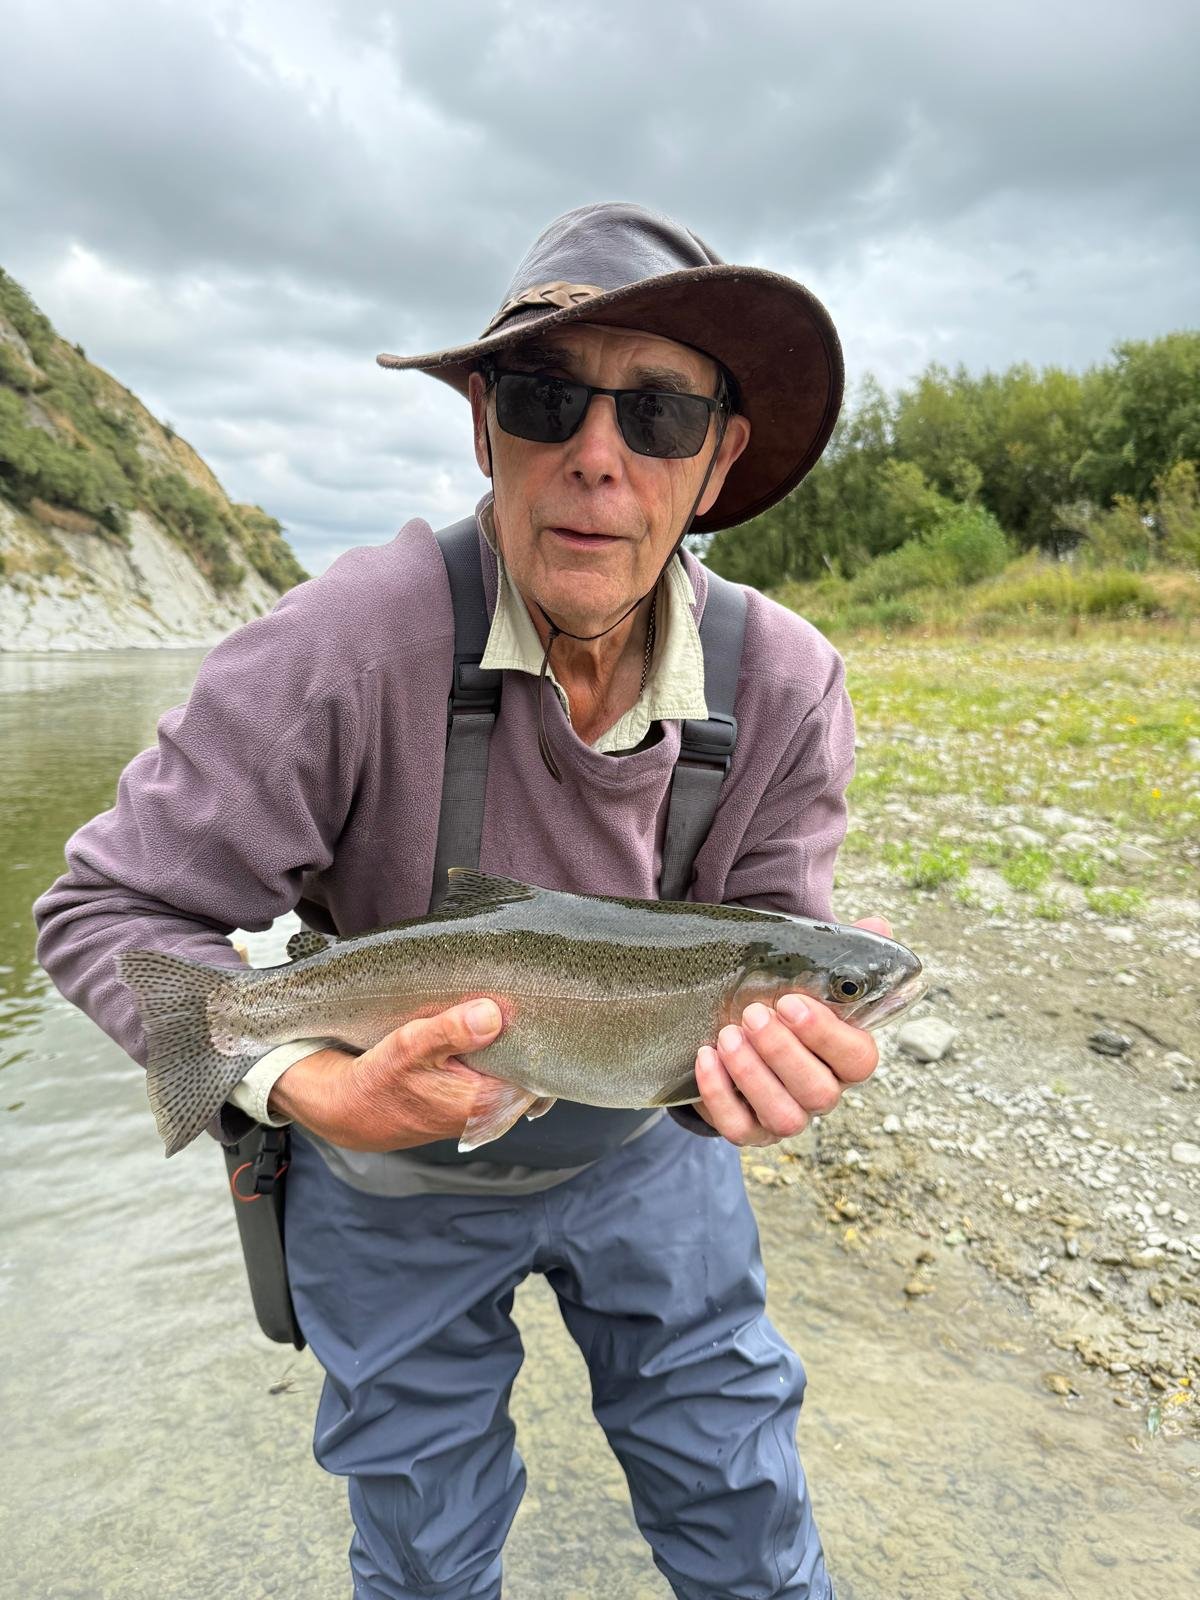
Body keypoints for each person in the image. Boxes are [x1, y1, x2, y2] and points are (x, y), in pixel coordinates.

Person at [35, 202, 889, 1600]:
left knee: (744, 1510)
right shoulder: (338, 646)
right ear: (485, 425)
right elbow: (103, 910)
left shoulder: (788, 684)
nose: (599, 459)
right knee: (425, 1559)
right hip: (378, 1178)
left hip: (646, 1156)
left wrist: (760, 1082)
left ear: (719, 458)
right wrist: (300, 1083)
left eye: (661, 414)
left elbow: (777, 952)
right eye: (550, 399)